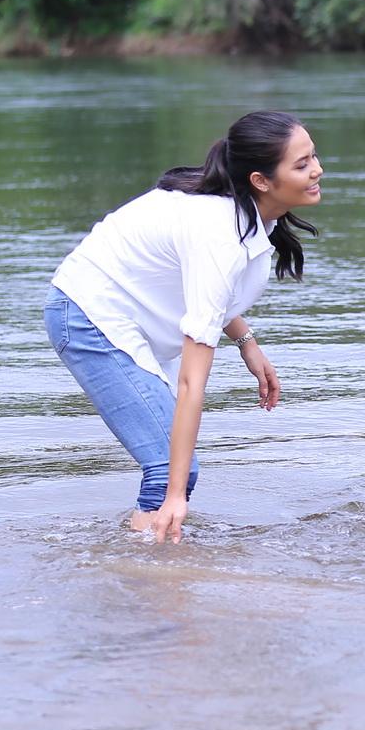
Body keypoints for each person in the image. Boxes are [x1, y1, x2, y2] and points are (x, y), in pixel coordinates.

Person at [45, 111, 323, 541]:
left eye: (314, 157)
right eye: (301, 164)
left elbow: (205, 290)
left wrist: (247, 341)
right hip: (88, 314)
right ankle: (151, 579)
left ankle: (138, 562)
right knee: (167, 468)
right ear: (261, 180)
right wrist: (177, 494)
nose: (317, 170)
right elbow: (194, 383)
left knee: (173, 467)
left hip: (127, 315)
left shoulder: (248, 215)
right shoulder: (220, 233)